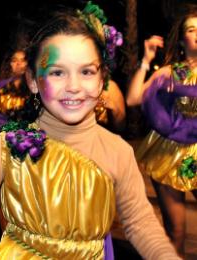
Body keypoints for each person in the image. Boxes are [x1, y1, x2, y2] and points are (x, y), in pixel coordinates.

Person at [0, 2, 181, 259]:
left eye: (86, 71)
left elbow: (140, 224)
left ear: (102, 79)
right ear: (33, 80)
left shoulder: (117, 152)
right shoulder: (6, 146)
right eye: (57, 72)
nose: (73, 86)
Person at [126, 4, 197, 257]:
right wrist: (146, 61)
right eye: (192, 29)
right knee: (176, 231)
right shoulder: (171, 73)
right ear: (182, 39)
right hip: (168, 154)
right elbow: (133, 99)